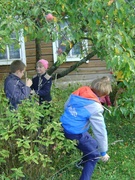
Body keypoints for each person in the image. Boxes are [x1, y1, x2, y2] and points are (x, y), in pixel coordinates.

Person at [60, 76, 112, 180]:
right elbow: (100, 132)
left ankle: (81, 163)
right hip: (74, 133)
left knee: (93, 143)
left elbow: (66, 106)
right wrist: (103, 152)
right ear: (103, 95)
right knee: (95, 155)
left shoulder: (78, 92)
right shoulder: (95, 108)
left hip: (62, 125)